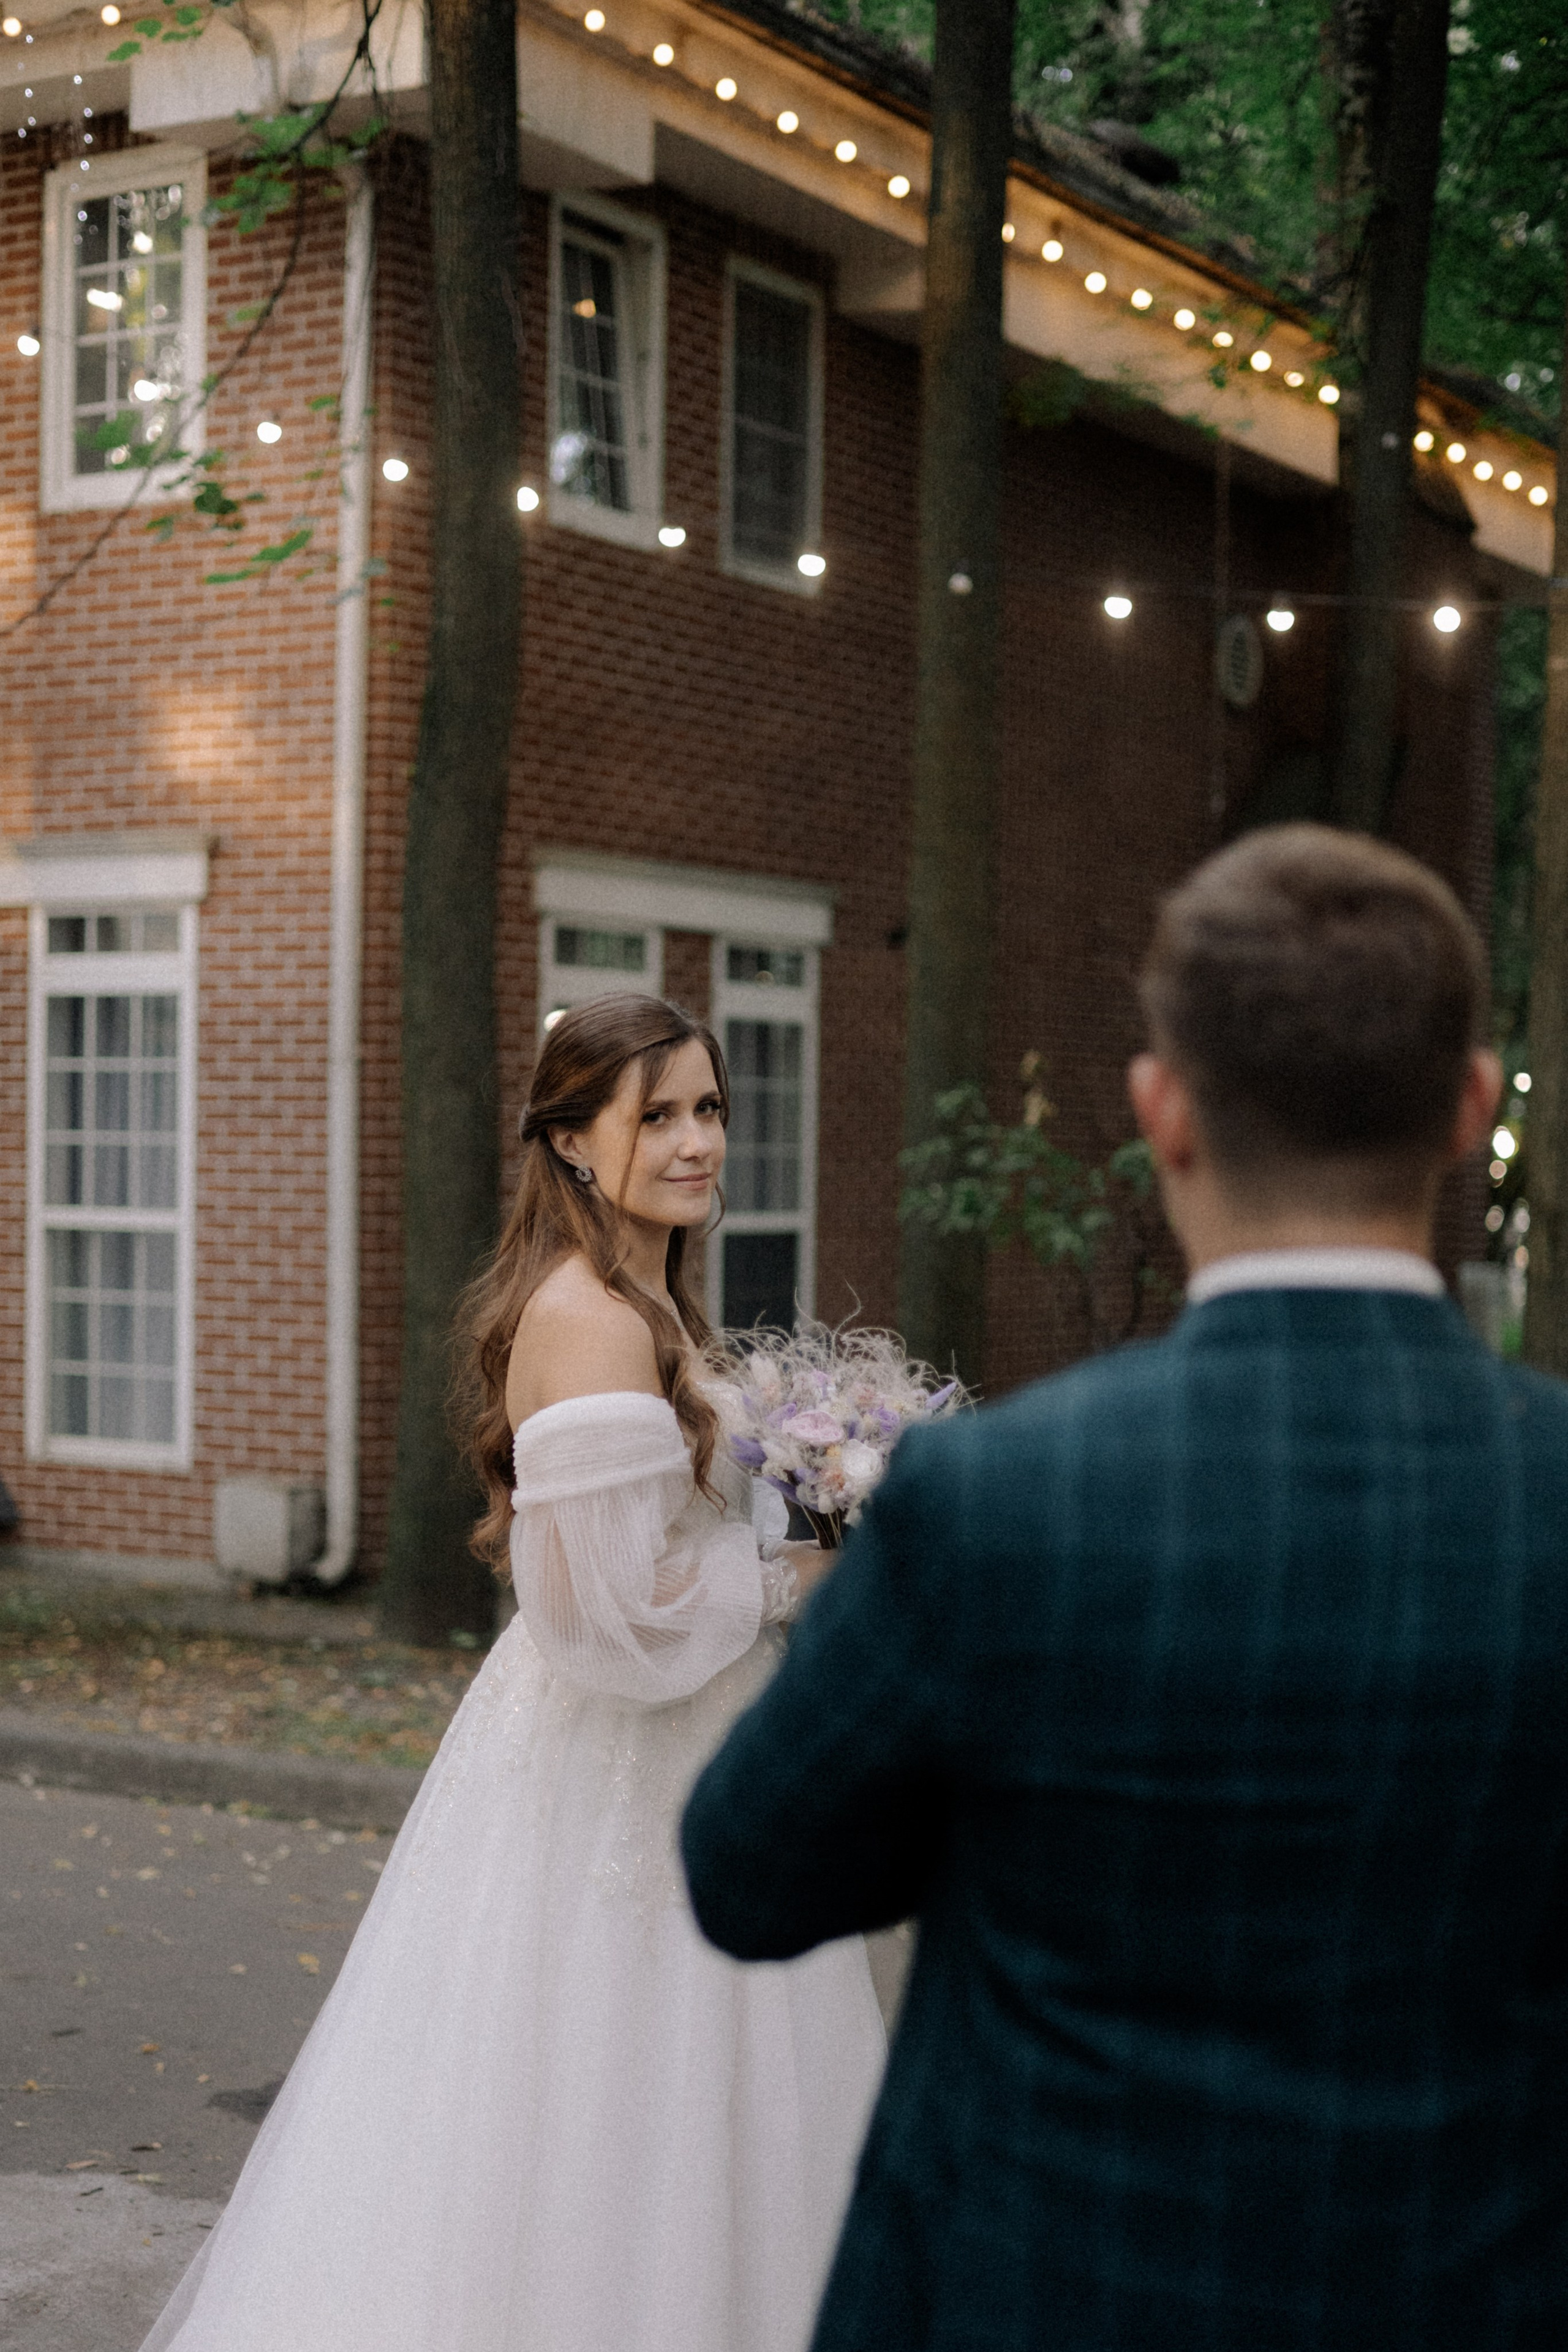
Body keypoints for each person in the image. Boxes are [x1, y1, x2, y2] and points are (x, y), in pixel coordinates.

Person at [682, 823, 1568, 2352]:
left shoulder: (997, 1499)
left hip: (1038, 2291)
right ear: (1467, 1108)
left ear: (1159, 1109)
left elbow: (748, 1873)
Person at [140, 992, 885, 2352]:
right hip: (622, 1765)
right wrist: (800, 1577)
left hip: (698, 1741)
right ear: (571, 1143)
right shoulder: (591, 1316)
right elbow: (599, 1618)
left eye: (708, 1108)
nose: (695, 1140)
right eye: (653, 1114)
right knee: (600, 2112)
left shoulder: (651, 1293)